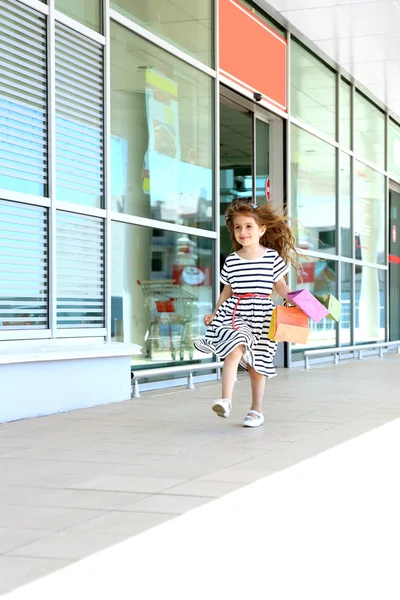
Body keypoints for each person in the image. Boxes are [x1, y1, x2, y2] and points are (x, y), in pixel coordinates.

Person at [194, 198, 299, 428]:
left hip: (262, 315)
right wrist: (215, 313)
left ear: (261, 230)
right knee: (233, 350)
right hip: (236, 313)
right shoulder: (231, 261)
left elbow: (280, 286)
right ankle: (226, 400)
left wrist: (295, 300)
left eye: (249, 226)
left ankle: (256, 410)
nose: (243, 231)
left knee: (256, 367)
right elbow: (226, 292)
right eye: (238, 227)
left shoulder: (271, 258)